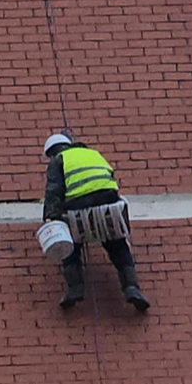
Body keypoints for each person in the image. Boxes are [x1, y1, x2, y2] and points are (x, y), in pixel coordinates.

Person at [42, 133, 150, 312]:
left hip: (79, 204)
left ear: (53, 151)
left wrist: (51, 217)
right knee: (117, 244)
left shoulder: (59, 160)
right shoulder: (93, 154)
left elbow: (54, 190)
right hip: (108, 202)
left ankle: (75, 288)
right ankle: (132, 288)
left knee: (70, 244)